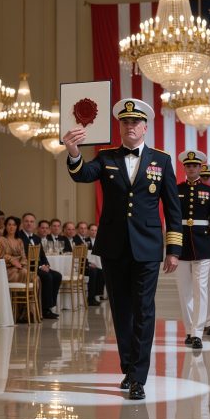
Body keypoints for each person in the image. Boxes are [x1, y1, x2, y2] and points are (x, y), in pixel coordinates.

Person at [63, 98, 182, 401]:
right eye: (125, 122)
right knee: (121, 311)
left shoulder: (162, 160)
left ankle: (138, 377)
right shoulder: (106, 157)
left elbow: (172, 207)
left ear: (145, 127)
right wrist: (73, 151)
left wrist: (174, 249)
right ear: (120, 126)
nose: (130, 126)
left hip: (148, 247)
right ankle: (128, 367)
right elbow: (82, 175)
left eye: (135, 122)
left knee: (143, 310)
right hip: (114, 246)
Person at [174, 151, 210, 349]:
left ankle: (197, 334)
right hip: (181, 245)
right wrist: (171, 248)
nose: (192, 169)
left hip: (204, 247)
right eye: (188, 166)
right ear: (184, 168)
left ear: (201, 168)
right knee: (184, 291)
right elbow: (172, 221)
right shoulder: (176, 190)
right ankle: (188, 329)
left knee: (200, 290)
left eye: (195, 166)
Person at [19, 212, 61, 318]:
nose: (29, 224)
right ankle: (44, 309)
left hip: (39, 267)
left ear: (34, 224)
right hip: (27, 268)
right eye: (27, 221)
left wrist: (46, 264)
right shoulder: (19, 237)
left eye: (31, 221)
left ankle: (50, 306)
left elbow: (42, 255)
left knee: (57, 275)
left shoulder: (37, 238)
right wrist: (39, 267)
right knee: (47, 277)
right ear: (23, 223)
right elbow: (23, 257)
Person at [0, 216, 31, 286]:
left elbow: (24, 257)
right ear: (5, 226)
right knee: (25, 274)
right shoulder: (2, 240)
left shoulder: (19, 241)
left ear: (17, 227)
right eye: (9, 224)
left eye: (14, 225)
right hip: (8, 270)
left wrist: (21, 266)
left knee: (36, 278)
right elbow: (0, 257)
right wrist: (11, 260)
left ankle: (32, 297)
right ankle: (22, 296)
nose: (11, 227)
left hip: (20, 268)